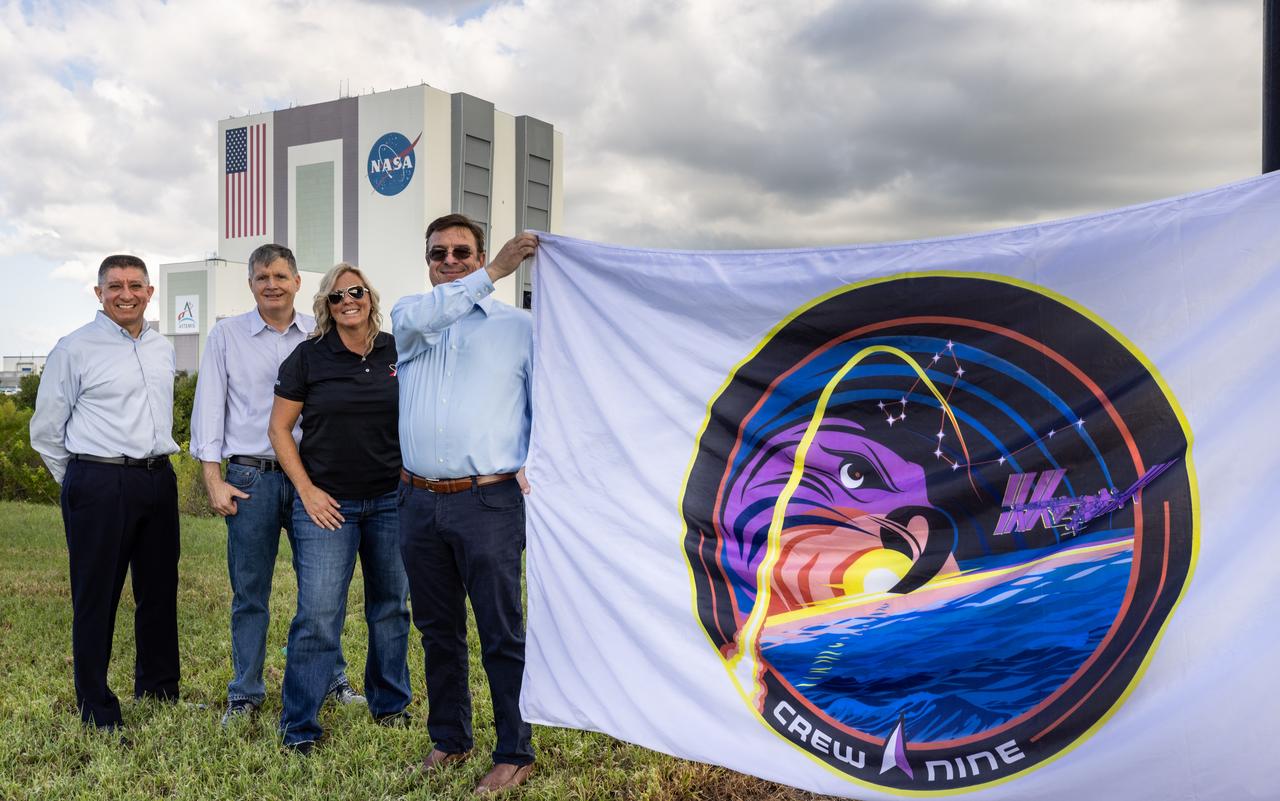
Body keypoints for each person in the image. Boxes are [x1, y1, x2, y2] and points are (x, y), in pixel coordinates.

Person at [392, 214, 539, 793]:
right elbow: (431, 311)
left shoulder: (521, 329)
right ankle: (450, 740)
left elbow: (545, 409)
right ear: (427, 261)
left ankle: (514, 750)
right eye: (438, 254)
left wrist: (533, 466)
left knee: (501, 629)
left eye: (462, 252)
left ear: (477, 255)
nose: (449, 261)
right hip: (417, 499)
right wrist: (498, 270)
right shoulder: (411, 318)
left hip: (489, 501)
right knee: (437, 629)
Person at [190, 244, 365, 726]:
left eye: (281, 276)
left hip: (315, 480)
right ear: (251, 284)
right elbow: (209, 406)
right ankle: (245, 691)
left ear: (297, 283)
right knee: (251, 592)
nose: (272, 284)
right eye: (262, 276)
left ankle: (331, 678)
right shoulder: (227, 335)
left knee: (323, 591)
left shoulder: (323, 333)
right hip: (251, 478)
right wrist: (213, 479)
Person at [30, 254, 181, 731]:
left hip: (158, 477)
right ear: (99, 293)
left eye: (135, 284)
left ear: (150, 293)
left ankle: (158, 690)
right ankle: (96, 708)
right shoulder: (74, 349)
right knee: (96, 596)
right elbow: (47, 432)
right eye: (114, 285)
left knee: (159, 590)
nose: (126, 293)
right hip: (98, 481)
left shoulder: (162, 347)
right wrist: (81, 483)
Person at [268, 263, 411, 753]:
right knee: (319, 614)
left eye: (356, 291)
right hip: (328, 505)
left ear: (370, 295)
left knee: (391, 608)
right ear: (326, 306)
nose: (348, 300)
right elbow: (279, 431)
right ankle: (298, 727)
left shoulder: (399, 349)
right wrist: (306, 490)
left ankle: (391, 705)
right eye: (336, 295)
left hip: (393, 501)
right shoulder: (308, 357)